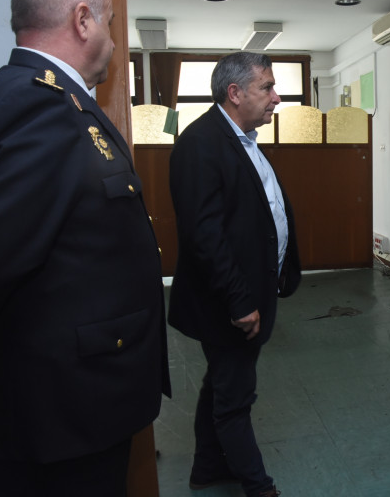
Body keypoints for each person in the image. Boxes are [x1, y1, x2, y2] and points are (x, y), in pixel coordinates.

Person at [0, 0, 170, 496]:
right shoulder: (36, 103)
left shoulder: (57, 99)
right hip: (63, 405)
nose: (116, 42)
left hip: (79, 392)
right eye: (111, 23)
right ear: (82, 21)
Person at [168, 52, 301, 497]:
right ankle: (257, 486)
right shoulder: (200, 144)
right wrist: (240, 302)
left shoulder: (240, 138)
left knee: (220, 382)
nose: (276, 98)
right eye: (267, 88)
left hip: (248, 293)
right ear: (235, 93)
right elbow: (205, 237)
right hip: (229, 303)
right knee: (235, 397)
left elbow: (258, 213)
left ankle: (207, 468)